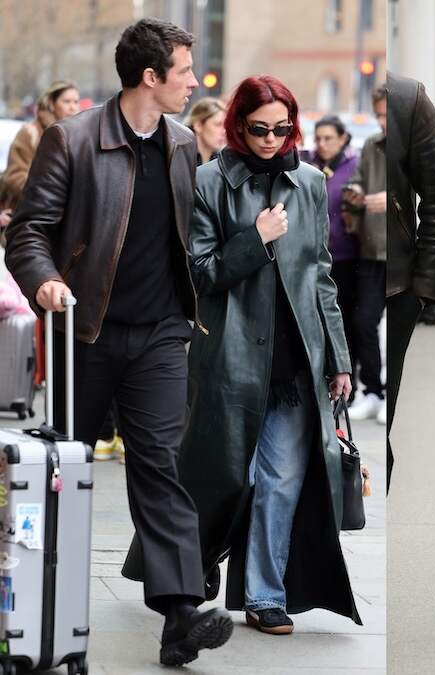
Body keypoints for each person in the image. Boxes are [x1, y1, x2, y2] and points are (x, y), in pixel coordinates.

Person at [5, 19, 233, 666]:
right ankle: (37, 609)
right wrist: (45, 282)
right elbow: (29, 231)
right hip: (87, 329)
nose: (194, 81)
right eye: (184, 71)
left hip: (162, 332)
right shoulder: (71, 140)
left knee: (160, 462)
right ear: (150, 77)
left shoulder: (185, 143)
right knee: (65, 467)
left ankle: (180, 613)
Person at [177, 74, 358, 637]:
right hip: (230, 359)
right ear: (238, 124)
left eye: (282, 128)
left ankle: (263, 596)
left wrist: (340, 357)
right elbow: (199, 272)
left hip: (295, 360)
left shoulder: (308, 181)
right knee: (229, 477)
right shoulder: (209, 181)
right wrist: (255, 239)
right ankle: (195, 564)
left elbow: (320, 276)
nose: (271, 138)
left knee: (281, 481)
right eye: (259, 128)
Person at [386, 73, 435, 491]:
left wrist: (425, 285)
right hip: (336, 281)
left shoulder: (407, 97)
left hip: (395, 289)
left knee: (385, 415)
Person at [342, 86, 389, 422]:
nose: (384, 122)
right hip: (372, 249)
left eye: (389, 115)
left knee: (400, 329)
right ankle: (372, 390)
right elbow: (359, 178)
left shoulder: (415, 146)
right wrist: (357, 191)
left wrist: (391, 199)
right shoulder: (372, 144)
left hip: (404, 250)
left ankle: (391, 395)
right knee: (363, 321)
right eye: (379, 115)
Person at [305, 115, 361, 394]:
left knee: (345, 320)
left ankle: (350, 380)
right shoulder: (310, 164)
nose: (322, 144)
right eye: (318, 138)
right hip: (315, 256)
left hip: (345, 255)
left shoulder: (353, 167)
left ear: (343, 139)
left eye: (329, 138)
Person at [0, 80, 80, 210]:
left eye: (76, 102)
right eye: (67, 101)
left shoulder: (80, 136)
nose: (73, 107)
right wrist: (51, 192)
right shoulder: (30, 133)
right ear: (52, 104)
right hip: (29, 213)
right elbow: (15, 177)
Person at [185, 96, 226, 164]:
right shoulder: (180, 157)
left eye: (225, 125)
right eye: (218, 124)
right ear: (198, 125)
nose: (224, 131)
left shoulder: (222, 161)